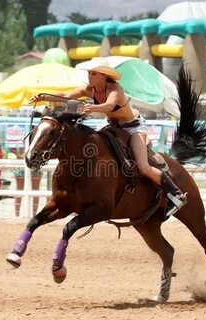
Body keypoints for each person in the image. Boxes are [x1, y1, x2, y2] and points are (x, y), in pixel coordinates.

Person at [29, 57, 186, 216]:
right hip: (111, 125)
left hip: (132, 128)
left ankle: (176, 194)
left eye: (94, 74)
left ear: (104, 76)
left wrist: (93, 107)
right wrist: (45, 96)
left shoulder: (115, 89)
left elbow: (110, 105)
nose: (90, 76)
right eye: (90, 73)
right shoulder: (89, 89)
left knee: (143, 167)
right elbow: (66, 94)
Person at [8, 147, 43, 217]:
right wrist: (21, 155)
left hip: (34, 161)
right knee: (19, 190)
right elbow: (11, 147)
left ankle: (34, 214)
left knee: (35, 190)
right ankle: (17, 215)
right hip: (21, 161)